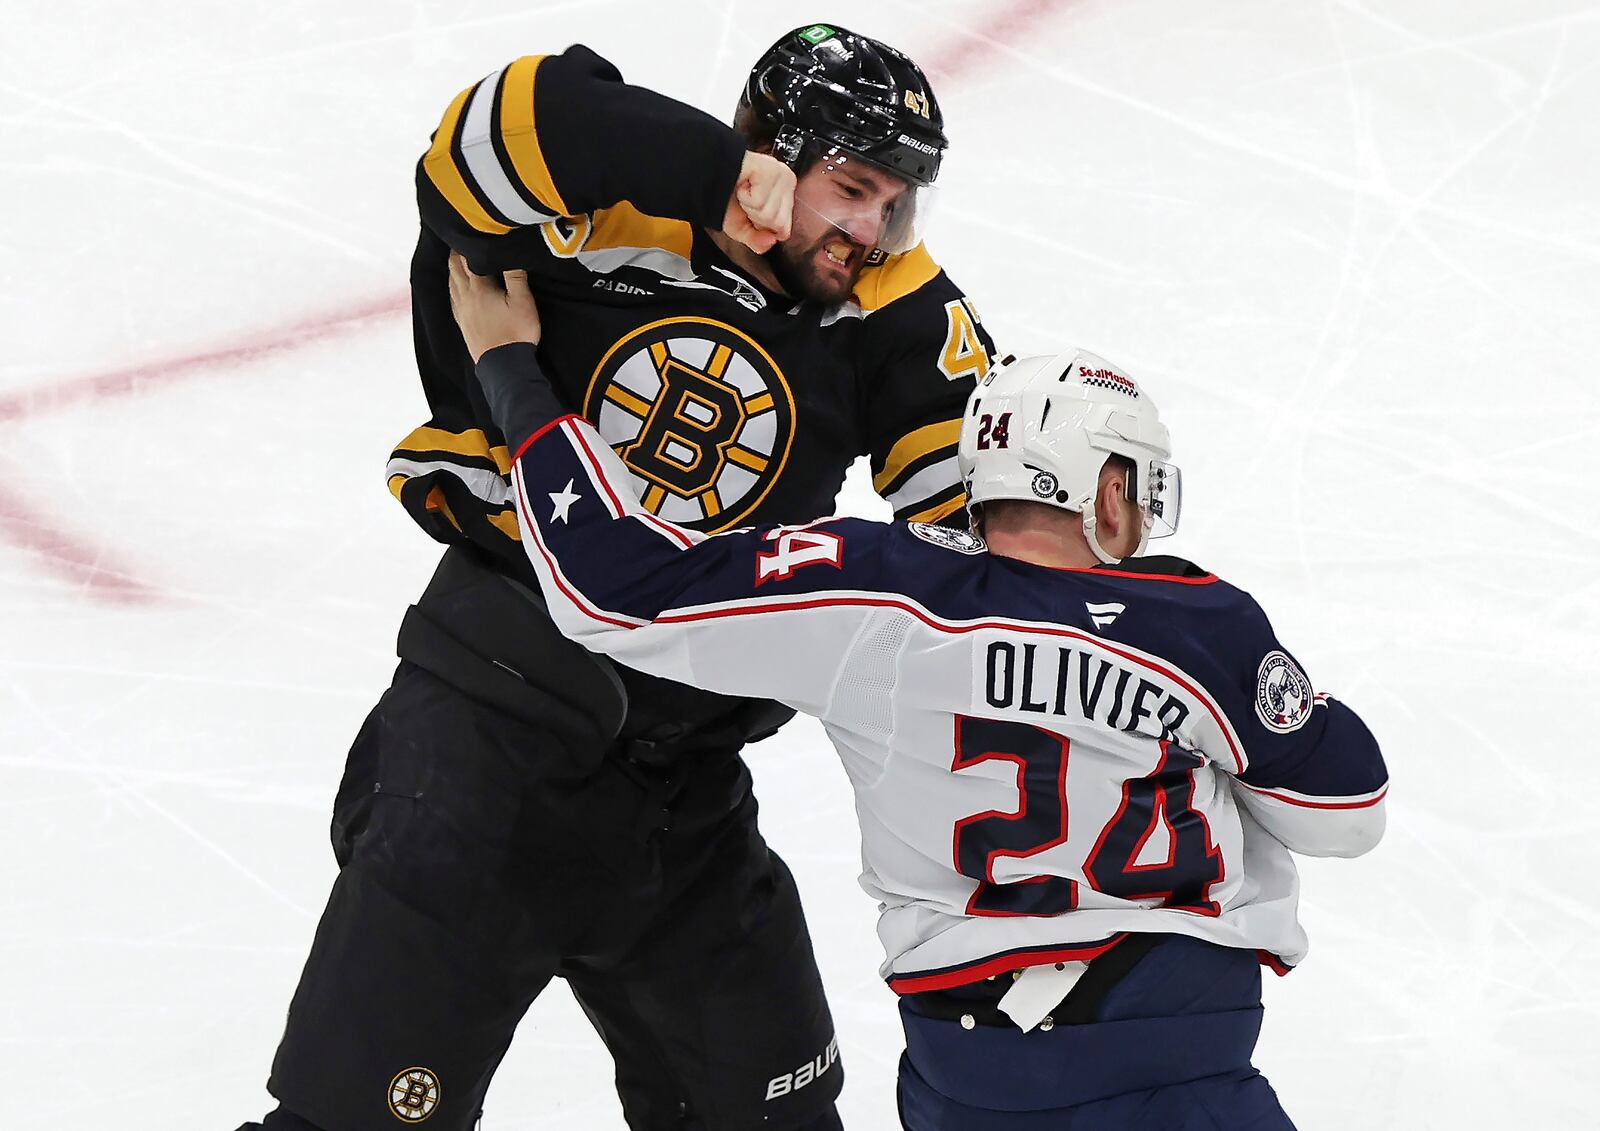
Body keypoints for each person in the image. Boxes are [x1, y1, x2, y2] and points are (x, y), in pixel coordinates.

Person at [242, 24, 996, 1131]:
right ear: (770, 156)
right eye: (851, 188)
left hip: (686, 799)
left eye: (897, 201)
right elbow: (483, 135)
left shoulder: (883, 296)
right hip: (482, 751)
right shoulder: (601, 207)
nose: (870, 229)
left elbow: (985, 517)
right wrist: (713, 179)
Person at [444, 256, 1389, 1130]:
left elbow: (610, 587)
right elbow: (1348, 810)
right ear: (1105, 491)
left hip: (969, 1074)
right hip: (1178, 1058)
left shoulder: (877, 588)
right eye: (1136, 489)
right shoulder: (1199, 622)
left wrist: (514, 372)